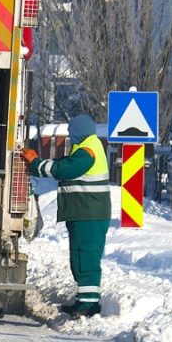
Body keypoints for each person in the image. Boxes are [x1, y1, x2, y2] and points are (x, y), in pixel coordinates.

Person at [21, 114, 111, 318]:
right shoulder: (85, 147)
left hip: (89, 213)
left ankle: (89, 305)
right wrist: (39, 162)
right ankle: (84, 299)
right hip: (84, 212)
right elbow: (65, 163)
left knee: (86, 256)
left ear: (79, 131)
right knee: (80, 256)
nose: (70, 135)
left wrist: (36, 163)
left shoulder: (88, 151)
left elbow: (65, 169)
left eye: (72, 131)